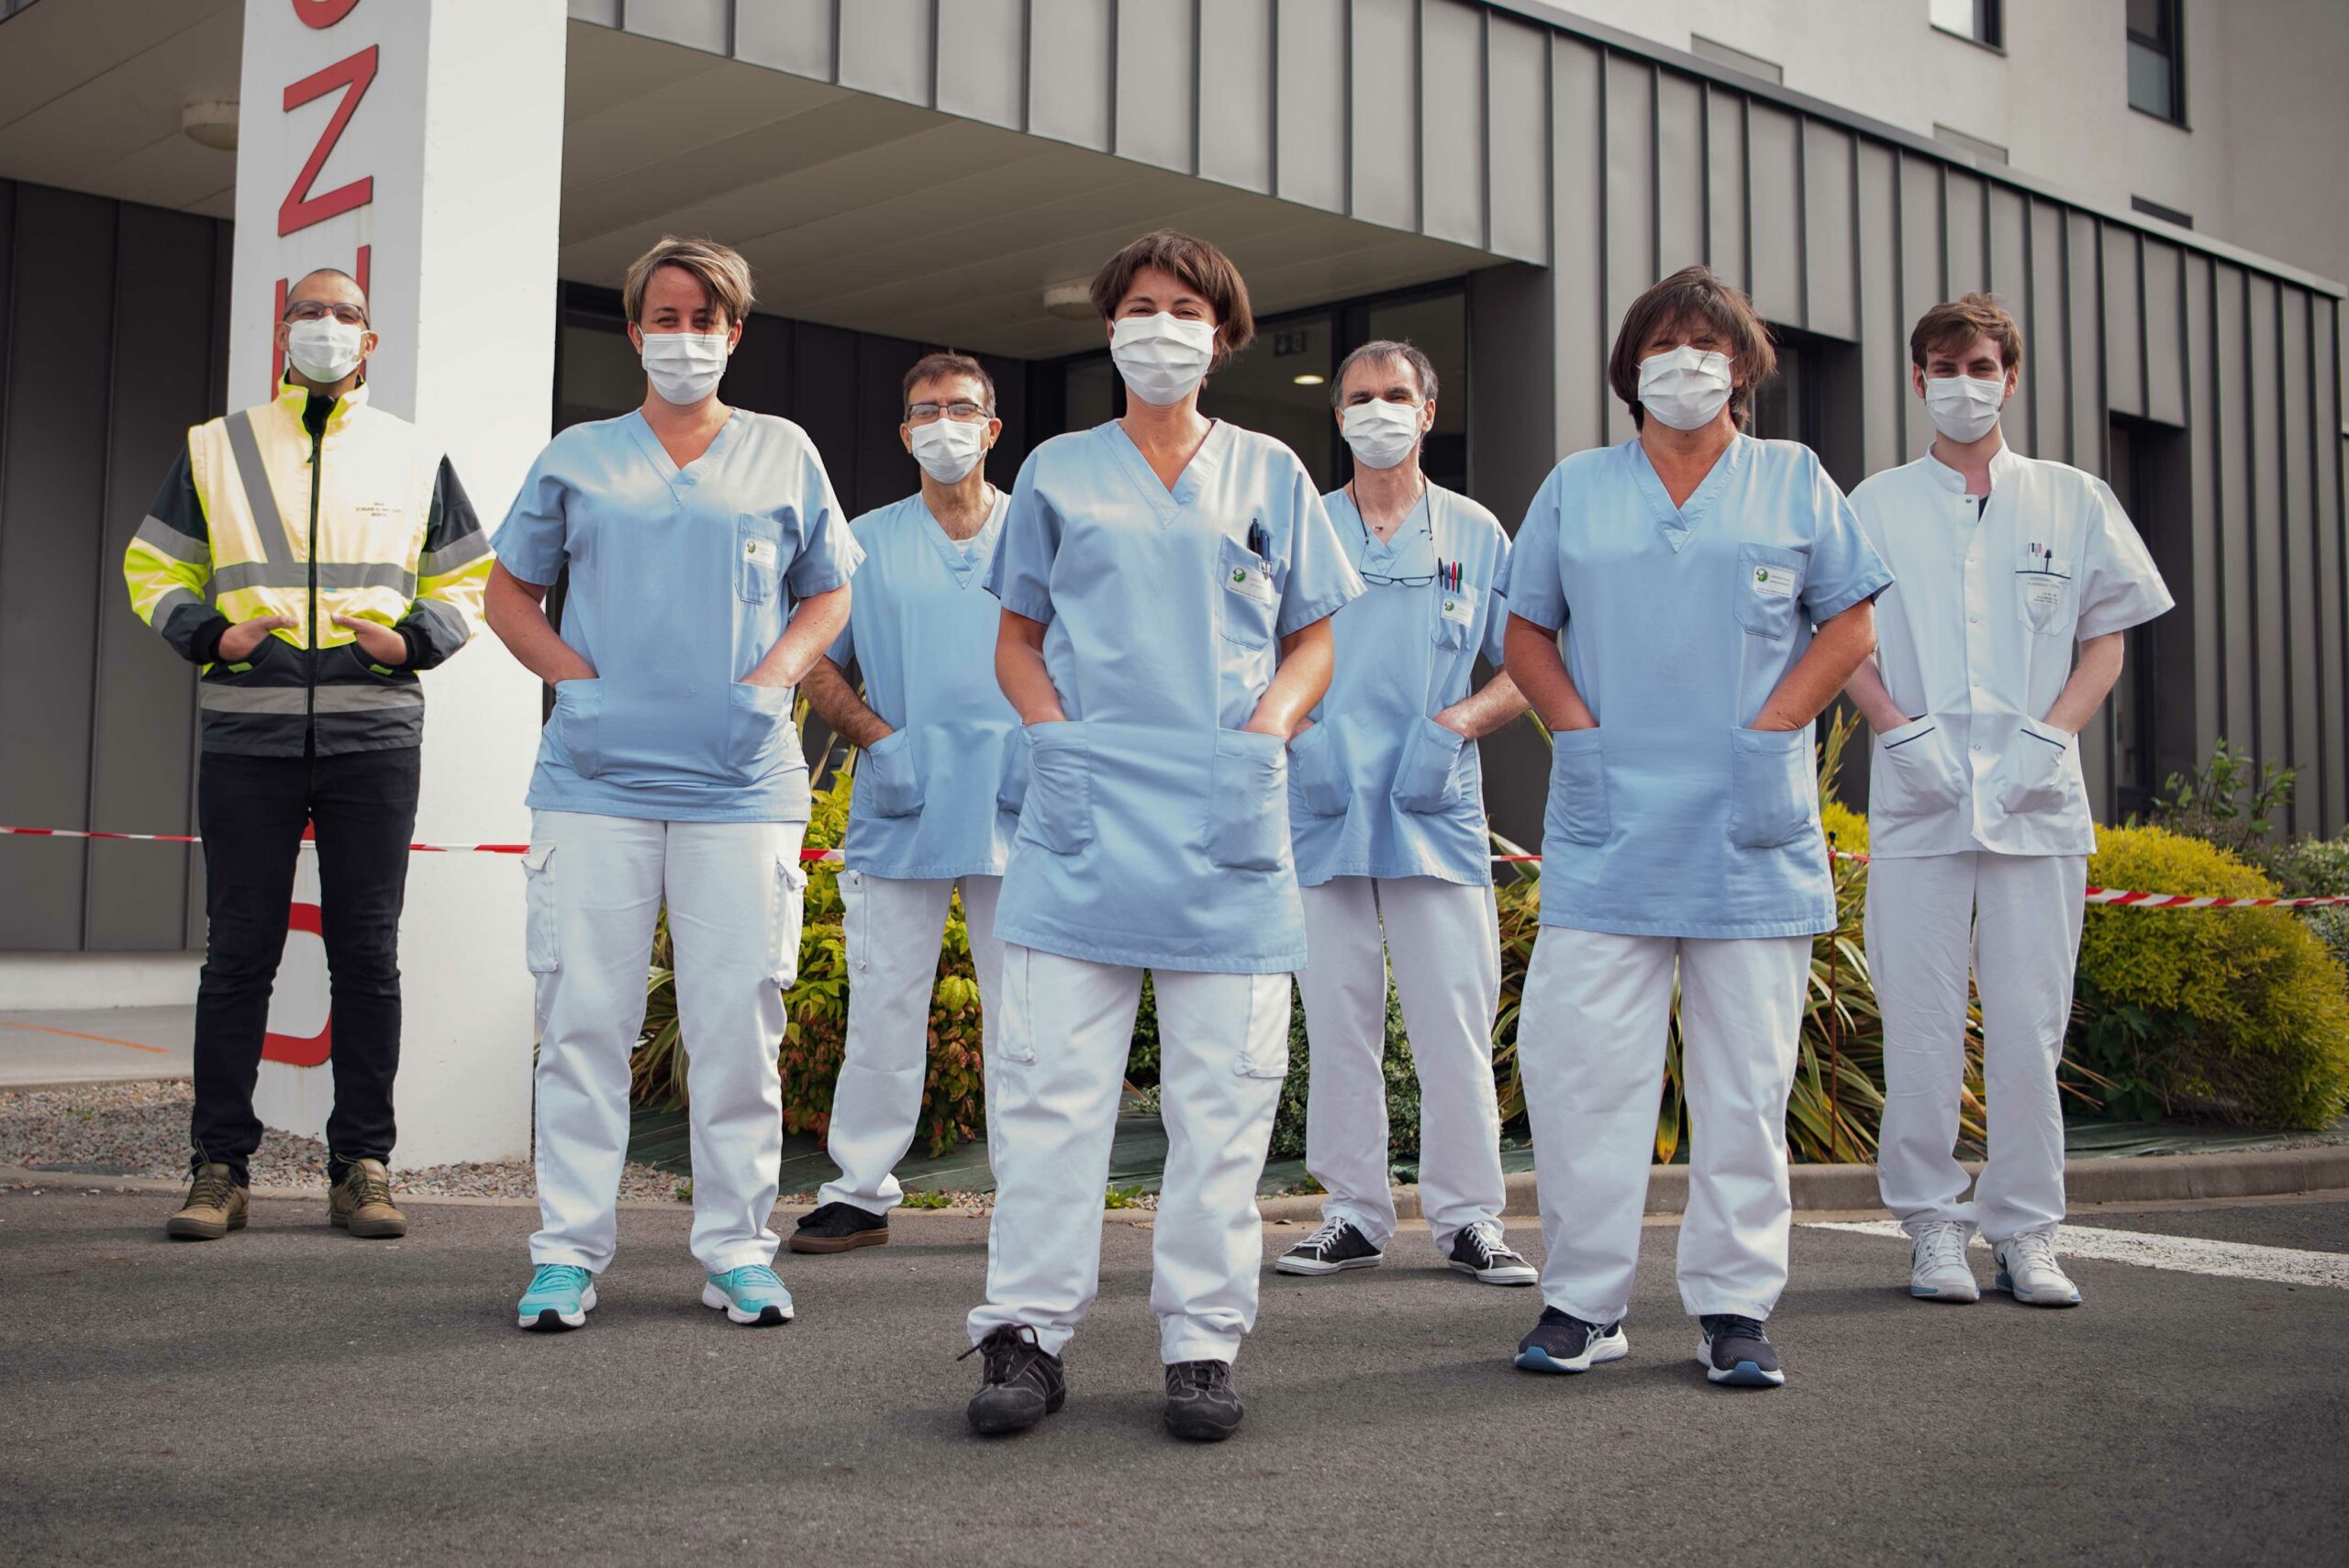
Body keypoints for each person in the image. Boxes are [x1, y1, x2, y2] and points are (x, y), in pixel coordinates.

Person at [963, 229, 1364, 1443]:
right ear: (1110, 330)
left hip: (1224, 817)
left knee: (1224, 1101)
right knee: (1049, 1096)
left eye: (1184, 307)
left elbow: (1316, 637)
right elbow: (1017, 638)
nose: (1160, 324)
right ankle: (1024, 1334)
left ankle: (1200, 1341)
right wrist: (1056, 744)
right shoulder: (1057, 473)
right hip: (1084, 813)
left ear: (1222, 331)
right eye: (1138, 306)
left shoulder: (1272, 474)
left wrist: (1266, 734)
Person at [1500, 265, 1891, 1388]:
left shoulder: (1794, 478)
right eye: (1664, 345)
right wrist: (1576, 732)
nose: (1686, 363)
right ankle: (1582, 1300)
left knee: (1745, 1080)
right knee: (1583, 1075)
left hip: (1746, 821)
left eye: (1707, 346)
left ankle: (1734, 1307)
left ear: (1741, 366)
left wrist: (1770, 729)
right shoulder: (1579, 485)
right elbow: (1527, 632)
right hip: (1609, 814)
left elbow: (1850, 624)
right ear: (1631, 369)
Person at [485, 236, 860, 1332]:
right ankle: (565, 1253)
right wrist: (573, 684)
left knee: (736, 1022)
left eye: (705, 318)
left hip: (741, 780)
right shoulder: (579, 457)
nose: (683, 335)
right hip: (594, 777)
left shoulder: (783, 452)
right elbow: (509, 592)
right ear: (634, 327)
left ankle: (738, 1248)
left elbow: (826, 594)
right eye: (664, 315)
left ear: (734, 332)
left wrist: (774, 679)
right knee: (584, 1018)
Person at [125, 267, 490, 1243]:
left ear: (370, 341)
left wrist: (413, 641)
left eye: (346, 314)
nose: (327, 326)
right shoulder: (218, 446)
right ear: (282, 332)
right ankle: (218, 1168)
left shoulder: (415, 454)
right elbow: (153, 563)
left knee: (366, 955)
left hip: (373, 737)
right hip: (250, 732)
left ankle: (362, 1164)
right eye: (311, 312)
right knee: (239, 953)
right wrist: (210, 634)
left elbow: (469, 580)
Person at [1845, 294, 2172, 1310]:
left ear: (2010, 376)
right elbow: (1845, 636)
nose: (1962, 382)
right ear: (1917, 380)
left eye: (1980, 364)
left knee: (2030, 1021)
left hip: (2036, 801)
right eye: (1944, 366)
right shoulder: (1875, 503)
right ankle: (1932, 1223)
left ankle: (2025, 1230)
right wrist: (1898, 731)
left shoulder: (2070, 497)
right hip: (1920, 798)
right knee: (1920, 1018)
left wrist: (2048, 734)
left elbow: (2106, 633)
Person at [1273, 339, 1534, 1288]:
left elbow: (1527, 661)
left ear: (1428, 411)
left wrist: (1459, 723)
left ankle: (1470, 1216)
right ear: (1335, 415)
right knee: (1337, 1017)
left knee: (1452, 1016)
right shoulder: (1303, 526)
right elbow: (1257, 652)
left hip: (1433, 807)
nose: (1376, 409)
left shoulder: (1475, 531)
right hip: (1325, 803)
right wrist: (1300, 737)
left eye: (1395, 395)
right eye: (1358, 396)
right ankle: (1353, 1210)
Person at [791, 352, 1021, 1253]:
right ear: (903, 432)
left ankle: (1033, 1192)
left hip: (1020, 808)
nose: (944, 425)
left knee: (1027, 1018)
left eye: (961, 409)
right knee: (884, 1000)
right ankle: (858, 1188)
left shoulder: (1038, 534)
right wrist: (877, 740)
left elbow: (1083, 657)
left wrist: (1049, 746)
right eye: (926, 411)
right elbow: (813, 655)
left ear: (992, 428)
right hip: (903, 800)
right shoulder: (863, 540)